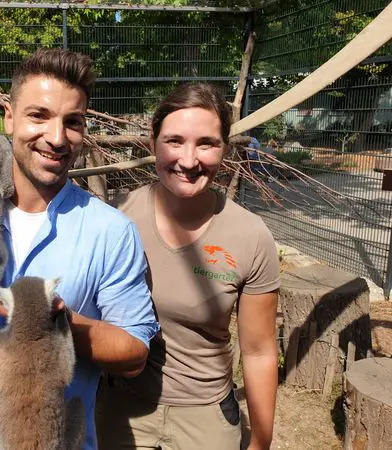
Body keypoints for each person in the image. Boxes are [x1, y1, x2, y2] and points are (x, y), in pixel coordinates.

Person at [0, 48, 159, 450]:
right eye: (38, 115)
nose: (57, 138)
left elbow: (133, 354)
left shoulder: (110, 232)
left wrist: (54, 322)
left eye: (72, 122)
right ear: (9, 117)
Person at [96, 83, 279, 450]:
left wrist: (260, 439)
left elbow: (258, 351)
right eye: (175, 141)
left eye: (207, 143)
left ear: (224, 148)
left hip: (206, 412)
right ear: (153, 143)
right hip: (121, 407)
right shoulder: (113, 218)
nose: (189, 160)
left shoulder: (250, 235)